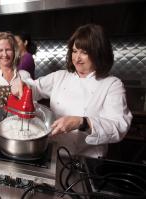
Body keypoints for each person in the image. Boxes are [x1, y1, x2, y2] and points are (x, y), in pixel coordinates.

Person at [12, 24, 132, 158]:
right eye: (74, 51)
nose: (77, 58)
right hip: (53, 155)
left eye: (84, 52)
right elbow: (34, 87)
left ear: (99, 53)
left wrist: (82, 122)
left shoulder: (112, 84)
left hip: (86, 161)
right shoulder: (61, 76)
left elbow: (119, 126)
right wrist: (22, 83)